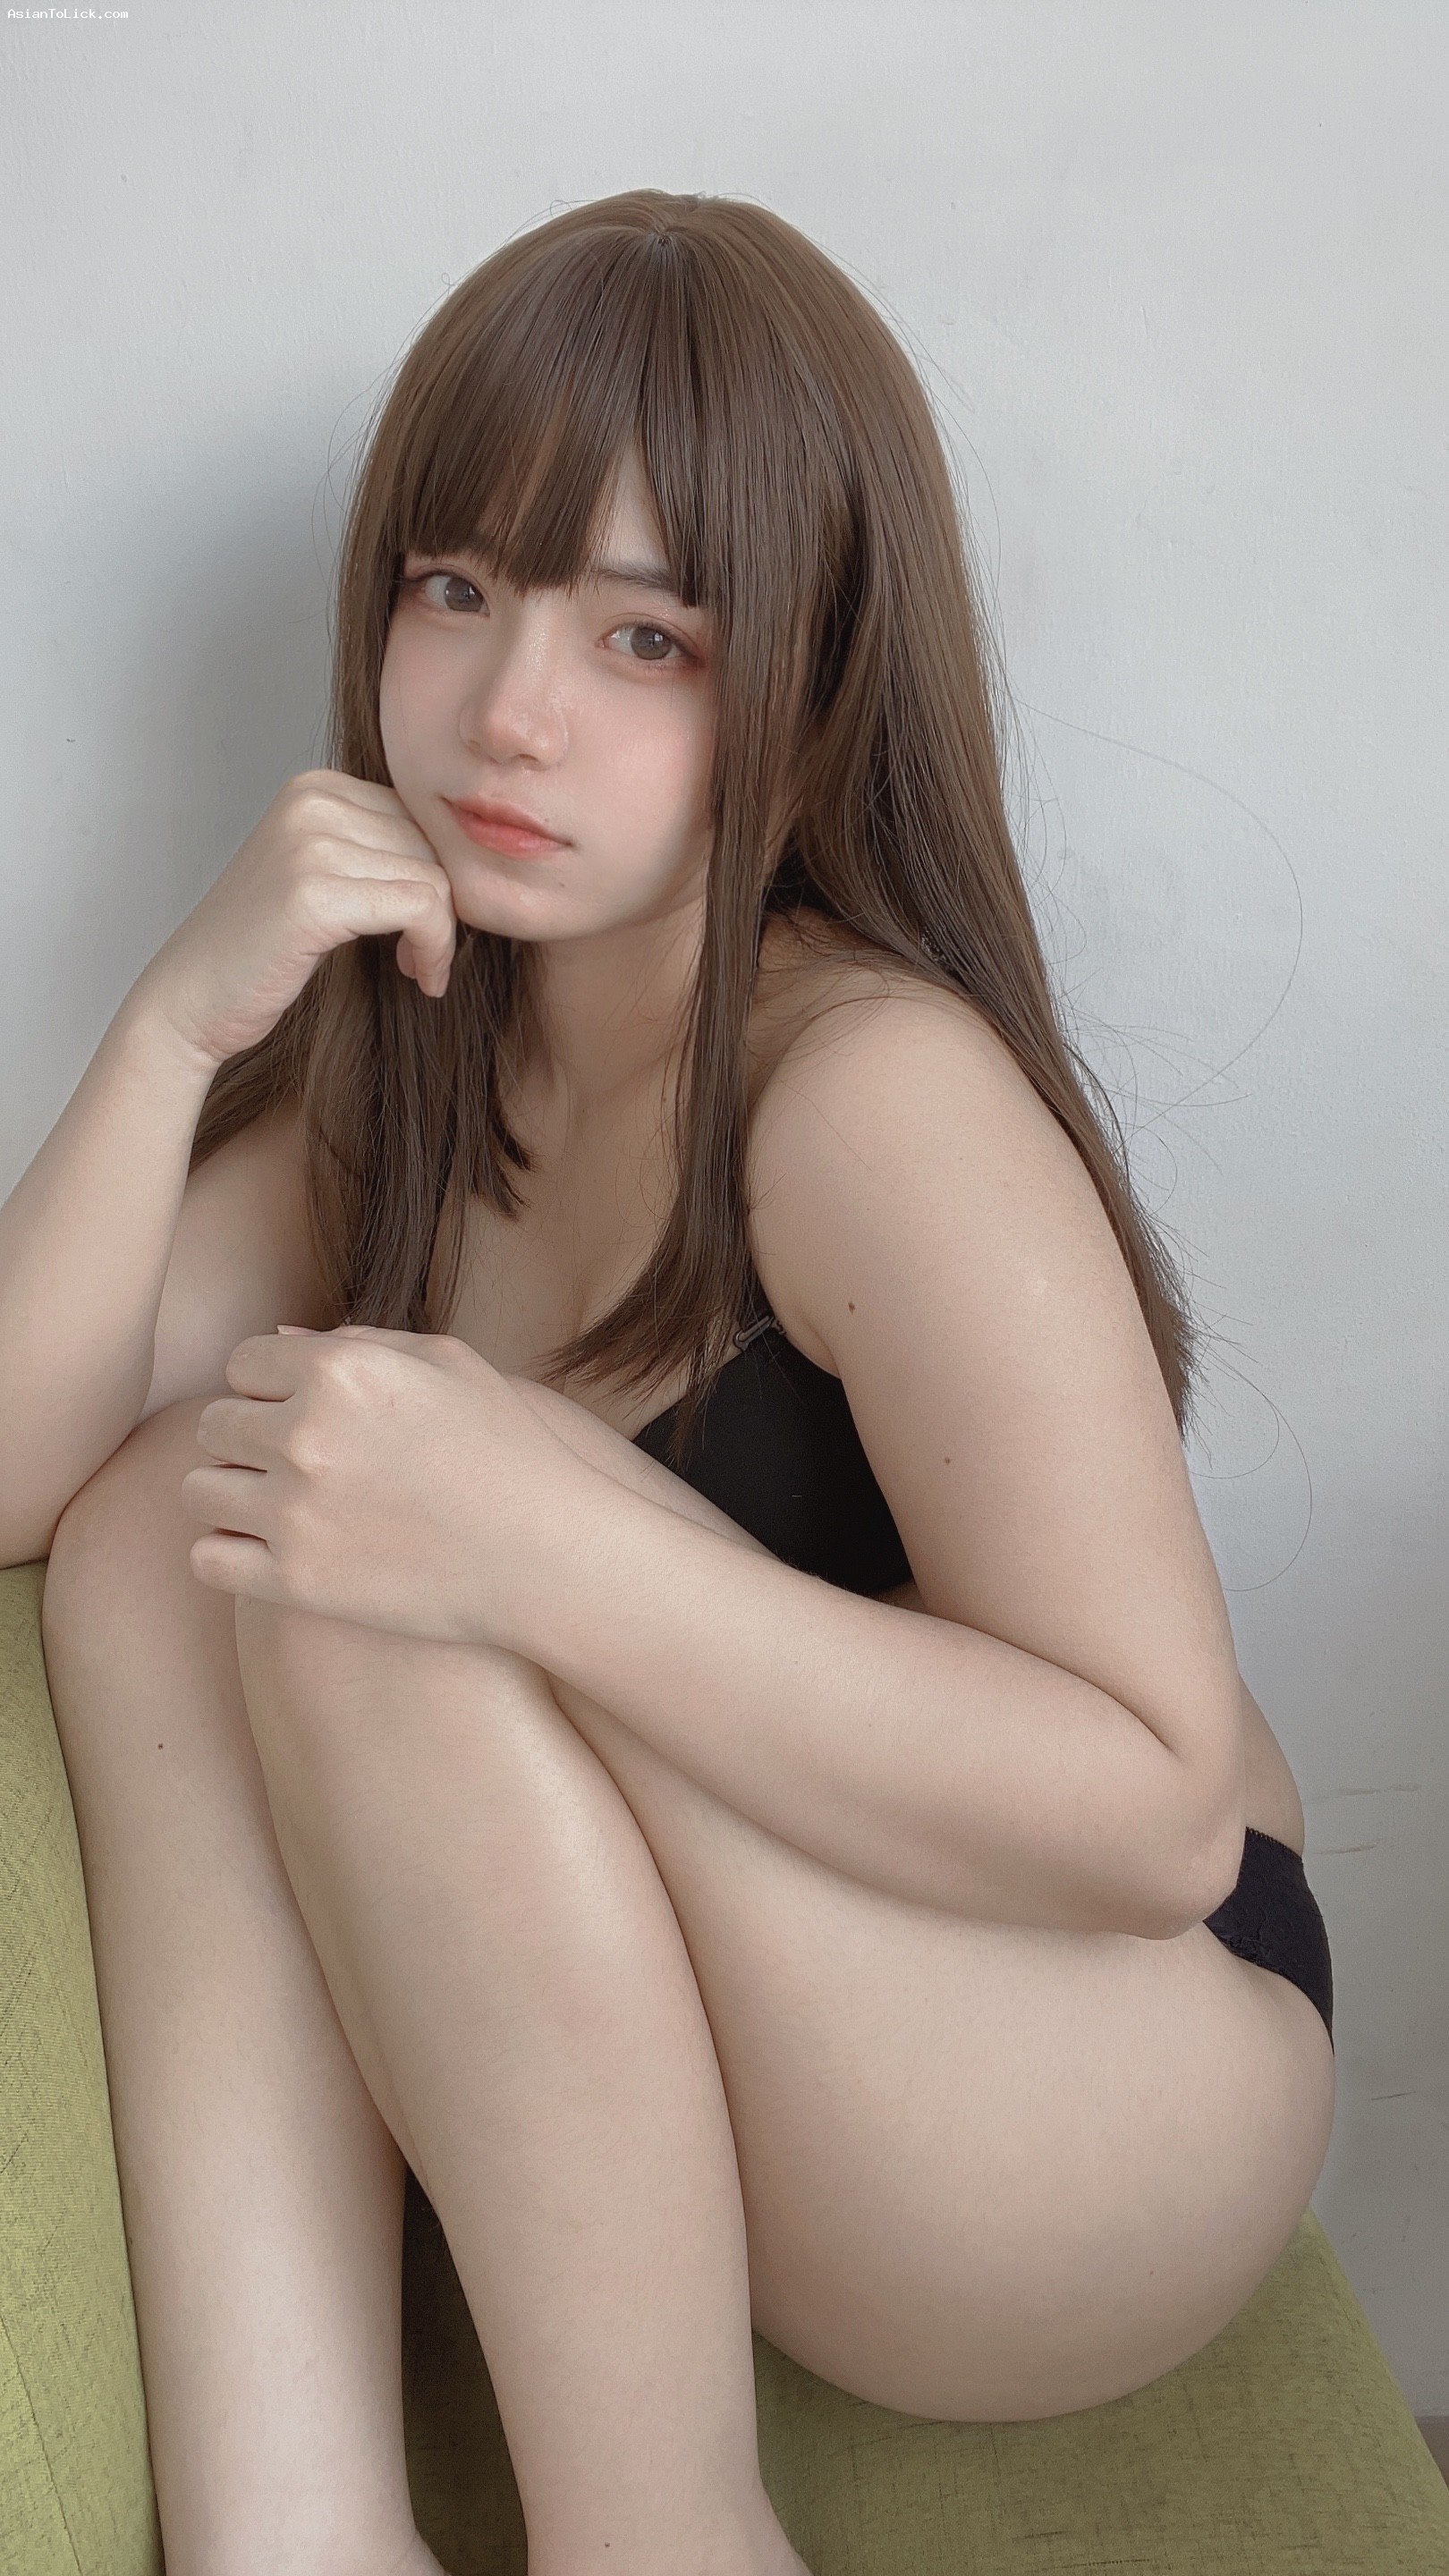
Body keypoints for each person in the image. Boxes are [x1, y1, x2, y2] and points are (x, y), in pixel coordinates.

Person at [1, 189, 1335, 2576]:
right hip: (785, 2056)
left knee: (379, 1538)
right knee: (178, 1517)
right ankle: (292, 2529)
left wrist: (540, 1551)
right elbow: (26, 1490)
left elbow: (1157, 1821)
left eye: (647, 636)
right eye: (459, 588)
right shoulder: (421, 1066)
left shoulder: (866, 1097)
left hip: (1103, 2072)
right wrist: (175, 1026)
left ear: (810, 680)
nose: (512, 710)